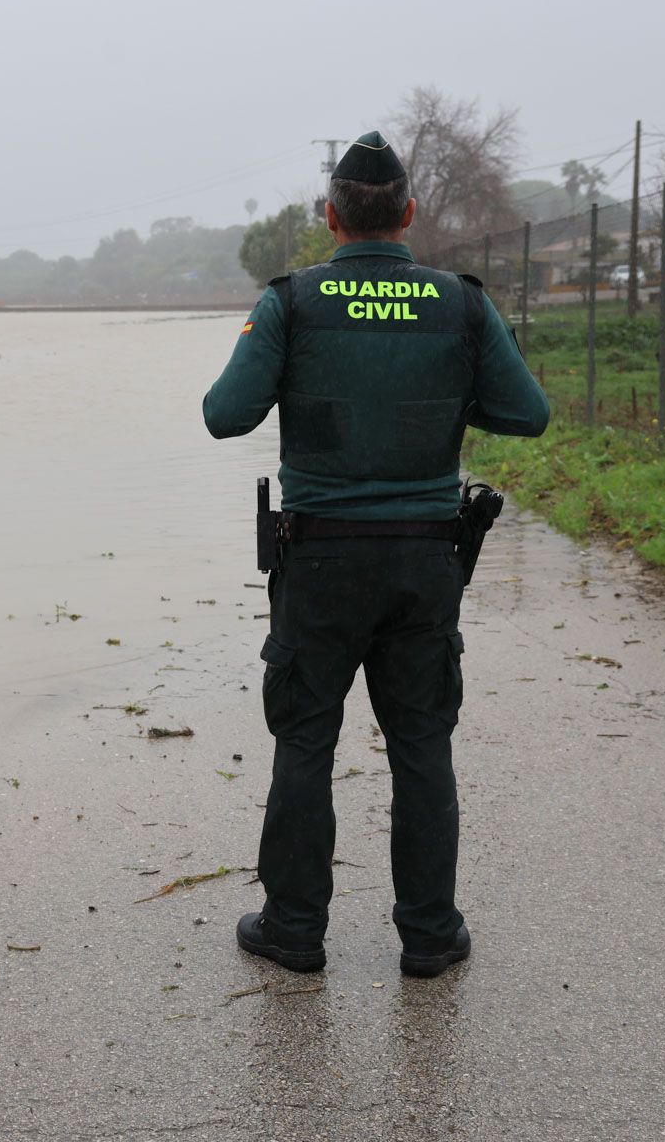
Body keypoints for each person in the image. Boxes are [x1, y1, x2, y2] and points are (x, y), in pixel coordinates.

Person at [202, 132, 550, 978]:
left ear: (331, 217)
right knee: (422, 746)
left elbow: (225, 414)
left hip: (319, 564)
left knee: (306, 743)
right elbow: (527, 413)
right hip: (427, 563)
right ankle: (429, 937)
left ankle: (294, 929)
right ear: (409, 214)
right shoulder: (460, 305)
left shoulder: (291, 301)